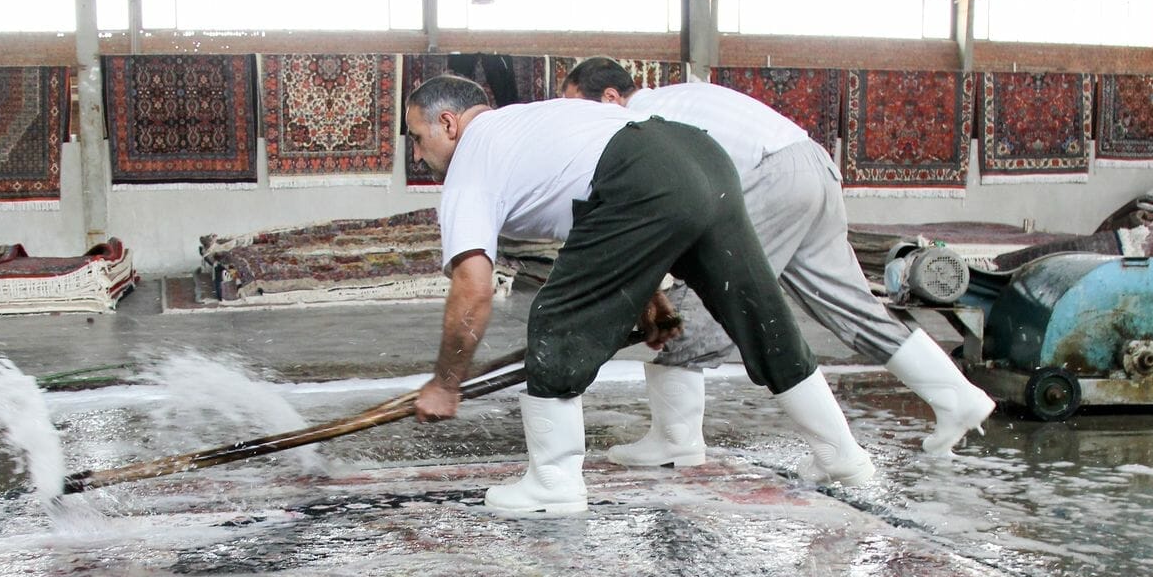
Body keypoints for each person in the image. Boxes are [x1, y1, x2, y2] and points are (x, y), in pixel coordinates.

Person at [403, 73, 874, 517]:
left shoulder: (473, 159)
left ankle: (553, 482)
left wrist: (446, 383)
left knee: (557, 319)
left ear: (449, 122)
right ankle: (842, 457)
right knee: (758, 312)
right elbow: (611, 225)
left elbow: (473, 288)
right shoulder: (532, 122)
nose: (419, 156)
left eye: (418, 140)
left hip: (640, 177)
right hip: (702, 155)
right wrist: (650, 298)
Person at [562, 58, 995, 463]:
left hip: (770, 176)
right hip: (812, 165)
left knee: (708, 302)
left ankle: (677, 440)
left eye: (574, 108)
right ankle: (958, 398)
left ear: (611, 98)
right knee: (850, 305)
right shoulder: (679, 95)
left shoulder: (636, 123)